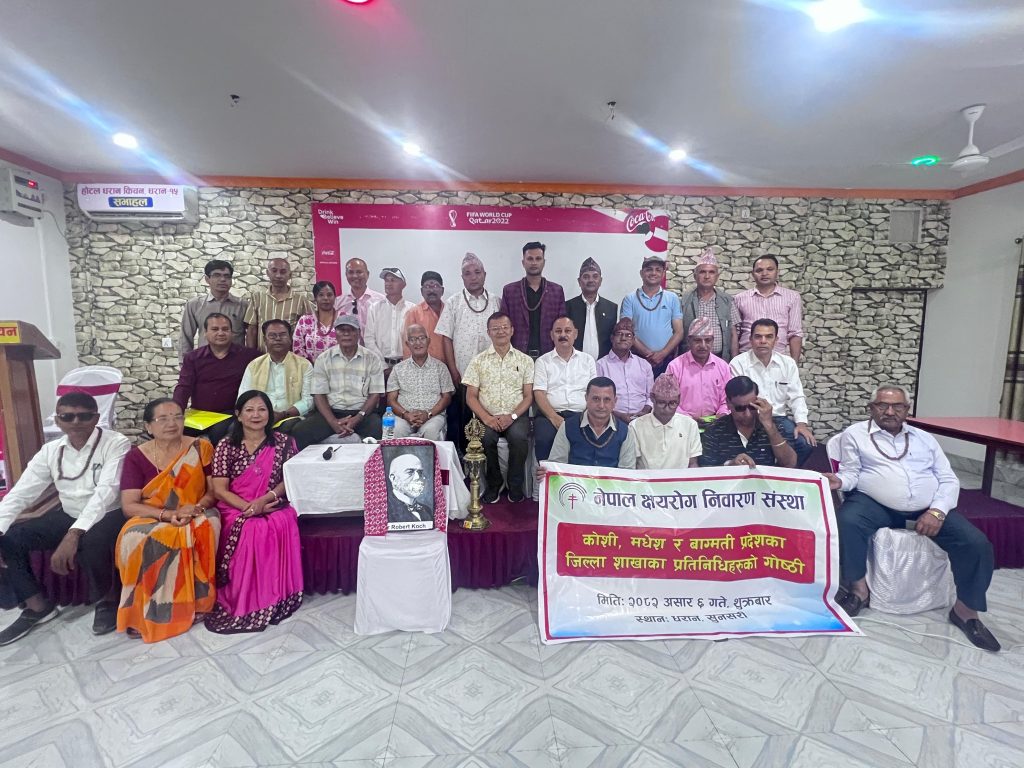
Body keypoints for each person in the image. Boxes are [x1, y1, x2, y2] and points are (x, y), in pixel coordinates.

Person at [824, 385, 999, 651]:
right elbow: (852, 473)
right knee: (848, 520)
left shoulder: (924, 439)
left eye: (897, 406)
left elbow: (948, 479)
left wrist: (937, 511)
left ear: (907, 410)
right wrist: (840, 481)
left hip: (927, 508)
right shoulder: (855, 435)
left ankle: (966, 612)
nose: (889, 412)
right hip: (874, 503)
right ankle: (858, 590)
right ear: (871, 408)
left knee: (976, 543)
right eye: (882, 405)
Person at [0, 393, 130, 645]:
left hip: (108, 514)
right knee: (11, 538)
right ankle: (38, 607)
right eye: (67, 417)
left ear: (96, 418)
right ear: (58, 420)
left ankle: (108, 600)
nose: (76, 422)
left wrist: (74, 533)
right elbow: (21, 493)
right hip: (69, 513)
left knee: (92, 542)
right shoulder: (51, 450)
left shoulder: (116, 443)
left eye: (84, 416)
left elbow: (106, 492)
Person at [116, 398, 219, 642]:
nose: (172, 423)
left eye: (177, 417)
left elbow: (213, 492)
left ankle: (196, 603)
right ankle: (142, 610)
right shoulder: (136, 457)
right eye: (162, 419)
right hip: (151, 514)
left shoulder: (201, 447)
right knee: (133, 537)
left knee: (204, 527)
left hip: (196, 510)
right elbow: (129, 505)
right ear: (148, 426)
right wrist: (167, 515)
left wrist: (194, 508)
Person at [204, 390, 303, 633]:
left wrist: (265, 500)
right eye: (249, 410)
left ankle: (275, 593)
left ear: (270, 414)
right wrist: (248, 508)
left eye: (261, 409)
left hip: (272, 501)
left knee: (280, 521)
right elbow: (219, 489)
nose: (256, 415)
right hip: (234, 505)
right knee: (252, 529)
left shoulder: (284, 442)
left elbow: (289, 478)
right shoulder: (226, 445)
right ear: (238, 415)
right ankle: (245, 595)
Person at [463, 312, 534, 503]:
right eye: (495, 328)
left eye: (504, 327)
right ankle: (494, 483)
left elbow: (529, 396)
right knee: (486, 439)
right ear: (489, 332)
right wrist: (487, 418)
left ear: (512, 330)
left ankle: (515, 484)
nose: (500, 331)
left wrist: (512, 416)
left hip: (515, 416)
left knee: (519, 438)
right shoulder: (478, 361)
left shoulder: (525, 360)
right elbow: (471, 396)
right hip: (487, 416)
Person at [729, 318, 815, 464]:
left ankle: (784, 474)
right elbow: (737, 399)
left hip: (779, 418)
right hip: (750, 417)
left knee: (805, 443)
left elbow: (797, 396)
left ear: (776, 340)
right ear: (750, 339)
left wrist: (801, 424)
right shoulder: (738, 363)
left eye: (769, 337)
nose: (763, 341)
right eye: (758, 336)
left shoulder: (788, 364)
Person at [436, 253, 503, 443]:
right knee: (464, 421)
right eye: (467, 273)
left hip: (491, 373)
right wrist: (453, 370)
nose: (473, 277)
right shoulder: (453, 302)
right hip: (463, 372)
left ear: (484, 275)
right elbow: (446, 338)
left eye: (477, 272)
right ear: (462, 277)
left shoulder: (496, 301)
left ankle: (487, 460)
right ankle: (465, 458)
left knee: (488, 422)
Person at [291, 315, 384, 447]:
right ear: (336, 334)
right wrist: (333, 422)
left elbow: (375, 394)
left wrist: (357, 418)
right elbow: (318, 395)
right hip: (331, 412)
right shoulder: (323, 359)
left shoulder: (372, 359)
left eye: (351, 330)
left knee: (377, 428)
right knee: (300, 431)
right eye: (342, 330)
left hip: (362, 413)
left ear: (359, 333)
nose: (346, 334)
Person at [173, 313, 260, 443]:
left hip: (230, 415)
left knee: (219, 432)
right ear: (205, 333)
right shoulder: (193, 358)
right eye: (215, 329)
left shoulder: (249, 356)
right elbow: (183, 387)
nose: (220, 333)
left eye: (225, 329)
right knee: (169, 429)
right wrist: (175, 412)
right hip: (200, 415)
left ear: (232, 333)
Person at [532, 316, 596, 463]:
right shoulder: (543, 361)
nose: (563, 335)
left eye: (567, 331)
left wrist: (586, 416)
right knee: (544, 439)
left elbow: (593, 392)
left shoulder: (588, 360)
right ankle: (545, 476)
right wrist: (554, 418)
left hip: (581, 415)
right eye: (558, 331)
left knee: (584, 442)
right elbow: (539, 393)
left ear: (575, 334)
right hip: (549, 415)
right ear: (551, 335)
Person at [699, 376, 797, 468]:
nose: (748, 414)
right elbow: (706, 470)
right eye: (740, 408)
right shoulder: (714, 431)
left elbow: (790, 464)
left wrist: (770, 428)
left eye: (752, 407)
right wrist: (730, 465)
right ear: (728, 403)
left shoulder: (774, 426)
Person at [543, 377, 637, 469]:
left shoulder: (625, 432)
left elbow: (627, 473)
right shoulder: (568, 427)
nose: (601, 405)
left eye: (607, 399)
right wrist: (546, 471)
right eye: (596, 399)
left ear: (615, 401)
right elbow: (556, 466)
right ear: (586, 398)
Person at [239, 319, 313, 433]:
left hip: (290, 417)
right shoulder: (254, 366)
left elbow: (308, 400)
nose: (278, 339)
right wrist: (258, 414)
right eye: (272, 336)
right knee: (233, 429)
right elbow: (243, 397)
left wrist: (283, 414)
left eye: (282, 335)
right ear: (265, 340)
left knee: (287, 428)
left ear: (290, 338)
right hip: (257, 416)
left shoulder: (304, 365)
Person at [386, 324, 455, 441]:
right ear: (407, 344)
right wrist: (406, 414)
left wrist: (428, 414)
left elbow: (447, 397)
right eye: (412, 339)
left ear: (428, 341)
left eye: (422, 338)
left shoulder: (440, 367)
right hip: (404, 417)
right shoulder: (398, 369)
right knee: (396, 429)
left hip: (433, 416)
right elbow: (391, 399)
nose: (418, 343)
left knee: (431, 431)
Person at [620, 254, 684, 376]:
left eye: (658, 270)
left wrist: (662, 354)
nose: (653, 273)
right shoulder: (630, 299)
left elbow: (679, 332)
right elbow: (626, 330)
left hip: (666, 360)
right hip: (637, 359)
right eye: (649, 269)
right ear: (641, 273)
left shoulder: (672, 298)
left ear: (663, 274)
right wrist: (648, 354)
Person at [501, 241, 566, 359]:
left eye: (538, 259)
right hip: (517, 355)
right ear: (523, 262)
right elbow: (504, 326)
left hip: (549, 355)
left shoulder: (556, 291)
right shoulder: (510, 291)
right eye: (530, 259)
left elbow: (561, 326)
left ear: (544, 262)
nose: (534, 262)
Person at [734, 255, 803, 361]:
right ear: (753, 274)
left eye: (770, 269)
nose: (764, 273)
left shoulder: (792, 297)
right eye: (759, 270)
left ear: (777, 272)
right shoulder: (740, 298)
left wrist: (794, 364)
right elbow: (735, 334)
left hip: (779, 359)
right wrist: (734, 361)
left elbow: (795, 333)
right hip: (746, 360)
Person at [629, 373, 702, 469]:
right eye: (661, 402)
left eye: (672, 403)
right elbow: (632, 465)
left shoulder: (690, 425)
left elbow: (693, 463)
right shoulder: (635, 426)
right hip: (647, 478)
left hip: (681, 478)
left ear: (679, 399)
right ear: (652, 398)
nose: (667, 409)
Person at [179, 259, 248, 360]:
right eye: (217, 275)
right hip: (204, 362)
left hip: (236, 362)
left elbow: (252, 335)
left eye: (227, 276)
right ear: (207, 279)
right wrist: (184, 364)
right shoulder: (194, 305)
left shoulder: (243, 305)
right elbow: (186, 337)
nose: (223, 279)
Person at [666, 317, 731, 421]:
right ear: (689, 341)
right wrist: (689, 419)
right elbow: (669, 400)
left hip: (716, 422)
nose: (703, 345)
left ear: (713, 341)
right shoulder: (675, 366)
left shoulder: (723, 367)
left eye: (708, 340)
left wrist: (722, 414)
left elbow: (728, 399)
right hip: (682, 422)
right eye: (697, 340)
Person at [679, 249, 739, 361]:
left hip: (721, 359)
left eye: (711, 272)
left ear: (717, 276)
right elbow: (678, 332)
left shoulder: (727, 301)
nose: (707, 276)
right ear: (695, 276)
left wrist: (735, 362)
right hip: (690, 361)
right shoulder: (684, 301)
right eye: (702, 272)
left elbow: (733, 333)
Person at [243, 257, 313, 351]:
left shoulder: (301, 300)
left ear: (289, 275)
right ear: (268, 273)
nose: (278, 275)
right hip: (262, 356)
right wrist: (250, 355)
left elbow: (308, 331)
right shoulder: (257, 298)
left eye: (283, 272)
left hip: (291, 356)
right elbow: (252, 330)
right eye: (274, 271)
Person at [596, 319, 653, 426]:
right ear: (612, 338)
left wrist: (644, 412)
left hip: (643, 419)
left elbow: (651, 395)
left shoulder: (644, 365)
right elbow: (598, 398)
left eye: (628, 335)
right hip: (611, 420)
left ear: (633, 340)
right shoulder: (601, 365)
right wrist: (619, 416)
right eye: (619, 334)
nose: (623, 338)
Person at [364, 267, 416, 374]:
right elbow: (369, 339)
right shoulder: (374, 308)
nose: (388, 283)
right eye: (386, 280)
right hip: (380, 367)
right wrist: (383, 366)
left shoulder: (412, 309)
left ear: (403, 284)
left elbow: (416, 340)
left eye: (393, 280)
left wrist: (407, 364)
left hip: (407, 367)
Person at [565, 257, 617, 360]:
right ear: (579, 281)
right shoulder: (568, 307)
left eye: (595, 276)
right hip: (574, 364)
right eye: (586, 277)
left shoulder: (611, 308)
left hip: (603, 364)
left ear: (600, 281)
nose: (591, 280)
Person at [292, 280, 339, 364]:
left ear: (335, 297)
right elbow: (297, 347)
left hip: (339, 368)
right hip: (311, 368)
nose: (326, 298)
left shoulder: (343, 319)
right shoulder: (305, 320)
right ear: (315, 298)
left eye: (329, 295)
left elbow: (351, 344)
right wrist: (311, 365)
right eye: (321, 295)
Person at [403, 271, 446, 362]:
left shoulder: (450, 311)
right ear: (421, 291)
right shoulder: (413, 313)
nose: (431, 290)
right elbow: (407, 345)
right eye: (427, 286)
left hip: (450, 366)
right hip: (424, 366)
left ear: (442, 290)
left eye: (435, 286)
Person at [335, 257, 385, 335]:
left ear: (367, 274)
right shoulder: (338, 302)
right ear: (346, 275)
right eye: (351, 272)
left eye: (359, 272)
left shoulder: (381, 301)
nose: (355, 276)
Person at [387, 454, 433, 524]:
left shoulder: (426, 510)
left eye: (420, 472)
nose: (418, 477)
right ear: (393, 478)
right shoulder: (384, 509)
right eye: (410, 472)